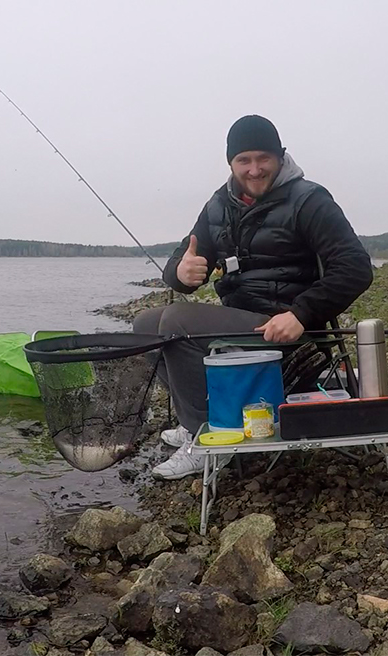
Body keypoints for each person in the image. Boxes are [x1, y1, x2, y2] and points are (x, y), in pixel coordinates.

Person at [133, 115, 374, 479]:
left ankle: (210, 436)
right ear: (231, 163)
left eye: (264, 158)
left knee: (178, 321)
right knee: (145, 324)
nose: (255, 169)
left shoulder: (308, 199)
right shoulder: (219, 204)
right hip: (242, 320)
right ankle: (193, 418)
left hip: (289, 328)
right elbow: (185, 257)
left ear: (280, 157)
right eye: (244, 160)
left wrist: (301, 314)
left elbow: (356, 267)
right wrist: (180, 274)